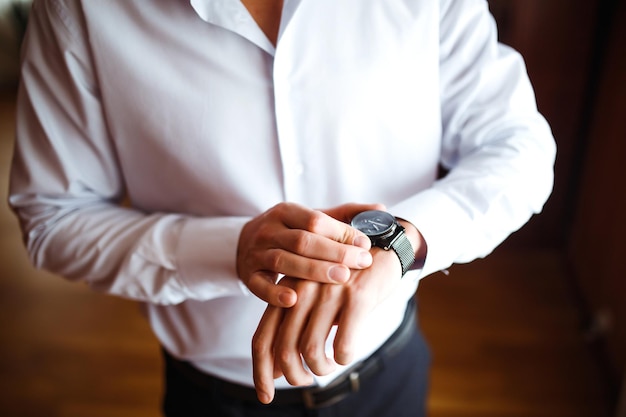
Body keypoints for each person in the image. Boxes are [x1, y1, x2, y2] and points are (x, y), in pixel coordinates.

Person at [8, 0, 556, 416]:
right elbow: (52, 216)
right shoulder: (81, 11)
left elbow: (517, 147)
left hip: (387, 377)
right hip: (211, 397)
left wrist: (402, 242)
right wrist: (231, 249)